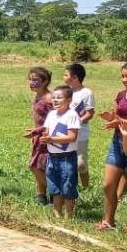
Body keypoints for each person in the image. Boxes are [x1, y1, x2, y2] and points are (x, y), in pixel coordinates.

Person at [97, 61, 127, 233]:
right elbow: (117, 117)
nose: (125, 80)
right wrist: (110, 118)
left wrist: (120, 121)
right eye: (123, 76)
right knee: (108, 184)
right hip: (118, 142)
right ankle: (108, 222)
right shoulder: (120, 95)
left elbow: (123, 120)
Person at [36, 85, 81, 218]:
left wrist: (51, 139)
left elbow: (72, 137)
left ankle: (68, 216)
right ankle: (57, 214)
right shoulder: (51, 114)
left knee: (68, 186)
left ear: (69, 100)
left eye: (59, 98)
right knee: (54, 186)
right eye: (54, 97)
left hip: (67, 157)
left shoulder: (72, 115)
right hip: (52, 156)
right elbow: (47, 132)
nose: (55, 100)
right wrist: (44, 138)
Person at [23, 67, 53, 205]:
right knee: (40, 167)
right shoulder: (38, 96)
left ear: (45, 81)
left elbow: (54, 121)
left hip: (46, 137)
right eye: (30, 79)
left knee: (33, 165)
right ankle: (41, 196)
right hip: (38, 137)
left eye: (35, 80)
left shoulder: (49, 99)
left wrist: (36, 132)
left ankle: (55, 192)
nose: (31, 82)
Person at [63, 63, 94, 189]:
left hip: (81, 134)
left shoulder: (86, 93)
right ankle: (69, 187)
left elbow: (90, 113)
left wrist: (77, 123)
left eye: (66, 75)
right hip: (65, 133)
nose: (63, 77)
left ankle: (86, 188)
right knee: (67, 162)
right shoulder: (66, 92)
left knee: (81, 163)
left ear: (75, 78)